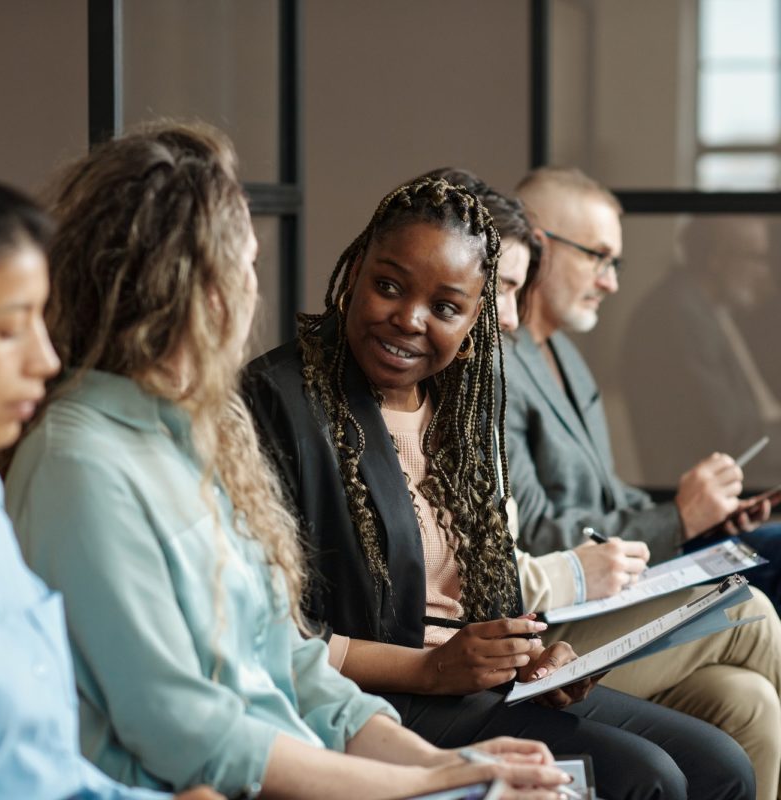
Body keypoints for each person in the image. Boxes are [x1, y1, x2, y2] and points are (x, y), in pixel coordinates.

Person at [2, 125, 572, 800]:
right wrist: (425, 784)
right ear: (193, 288)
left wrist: (436, 768)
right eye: (244, 267)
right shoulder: (81, 464)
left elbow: (292, 664)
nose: (254, 291)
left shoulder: (197, 433)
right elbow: (192, 734)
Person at [245, 175, 757, 800]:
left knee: (720, 764)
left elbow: (492, 586)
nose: (408, 318)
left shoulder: (463, 408)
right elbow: (276, 633)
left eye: (446, 307)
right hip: (382, 698)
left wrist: (542, 657)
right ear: (353, 272)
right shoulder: (280, 401)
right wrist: (434, 668)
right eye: (388, 285)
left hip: (479, 683)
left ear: (474, 321)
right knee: (647, 779)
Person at [500, 166, 781, 800]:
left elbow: (607, 499)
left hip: (601, 606)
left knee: (749, 699)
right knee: (749, 611)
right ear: (538, 244)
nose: (612, 281)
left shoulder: (565, 355)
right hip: (547, 629)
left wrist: (698, 515)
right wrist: (675, 519)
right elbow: (540, 532)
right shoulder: (497, 363)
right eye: (599, 257)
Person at [0, 179, 223, 800]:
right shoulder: (75, 461)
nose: (45, 359)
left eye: (43, 320)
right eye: (9, 330)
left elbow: (42, 774)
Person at [622, 215, 781, 490]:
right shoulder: (678, 315)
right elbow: (729, 437)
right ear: (717, 258)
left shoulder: (710, 309)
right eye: (756, 257)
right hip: (710, 494)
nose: (764, 272)